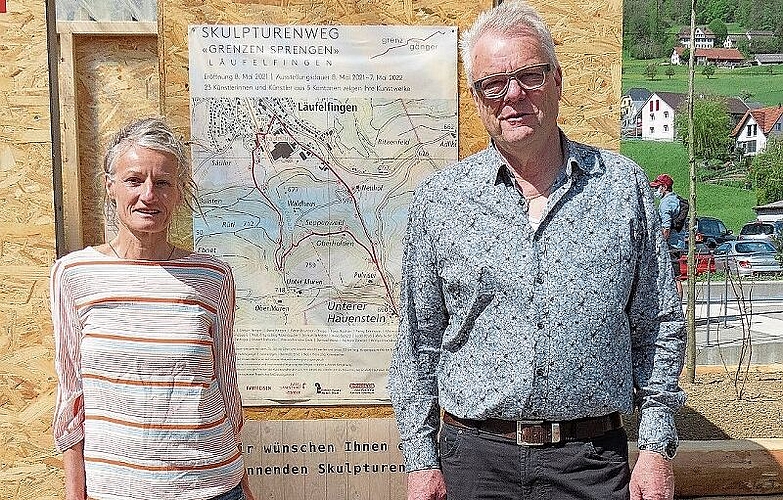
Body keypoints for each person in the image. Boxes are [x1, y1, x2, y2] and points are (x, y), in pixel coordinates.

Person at [388, 2, 686, 500]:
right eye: (493, 84)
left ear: (558, 80)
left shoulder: (622, 188)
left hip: (590, 463)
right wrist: (421, 460)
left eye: (530, 75)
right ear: (478, 97)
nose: (513, 96)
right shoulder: (440, 201)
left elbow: (658, 324)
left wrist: (656, 446)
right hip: (474, 463)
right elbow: (418, 342)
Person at [51, 117, 255, 500]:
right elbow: (71, 396)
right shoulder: (74, 274)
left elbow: (226, 386)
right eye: (134, 180)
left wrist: (241, 482)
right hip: (117, 489)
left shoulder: (212, 276)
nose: (149, 195)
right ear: (110, 187)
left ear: (178, 194)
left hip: (212, 487)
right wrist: (75, 491)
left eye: (162, 182)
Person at [650, 173, 686, 299]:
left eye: (657, 187)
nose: (655, 190)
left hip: (671, 245)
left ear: (664, 187)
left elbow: (666, 228)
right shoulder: (675, 199)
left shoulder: (665, 204)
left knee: (674, 277)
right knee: (676, 277)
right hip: (679, 243)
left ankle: (677, 307)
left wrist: (660, 243)